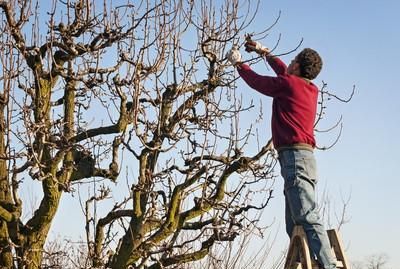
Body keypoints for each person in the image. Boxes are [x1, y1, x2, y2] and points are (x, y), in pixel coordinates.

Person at [226, 40, 337, 269]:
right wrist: (263, 52)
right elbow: (282, 71)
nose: (290, 63)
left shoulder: (288, 85)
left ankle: (328, 266)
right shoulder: (307, 88)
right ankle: (306, 263)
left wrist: (239, 64)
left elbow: (259, 82)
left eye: (294, 61)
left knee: (307, 217)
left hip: (295, 160)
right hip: (300, 159)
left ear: (296, 67)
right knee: (294, 225)